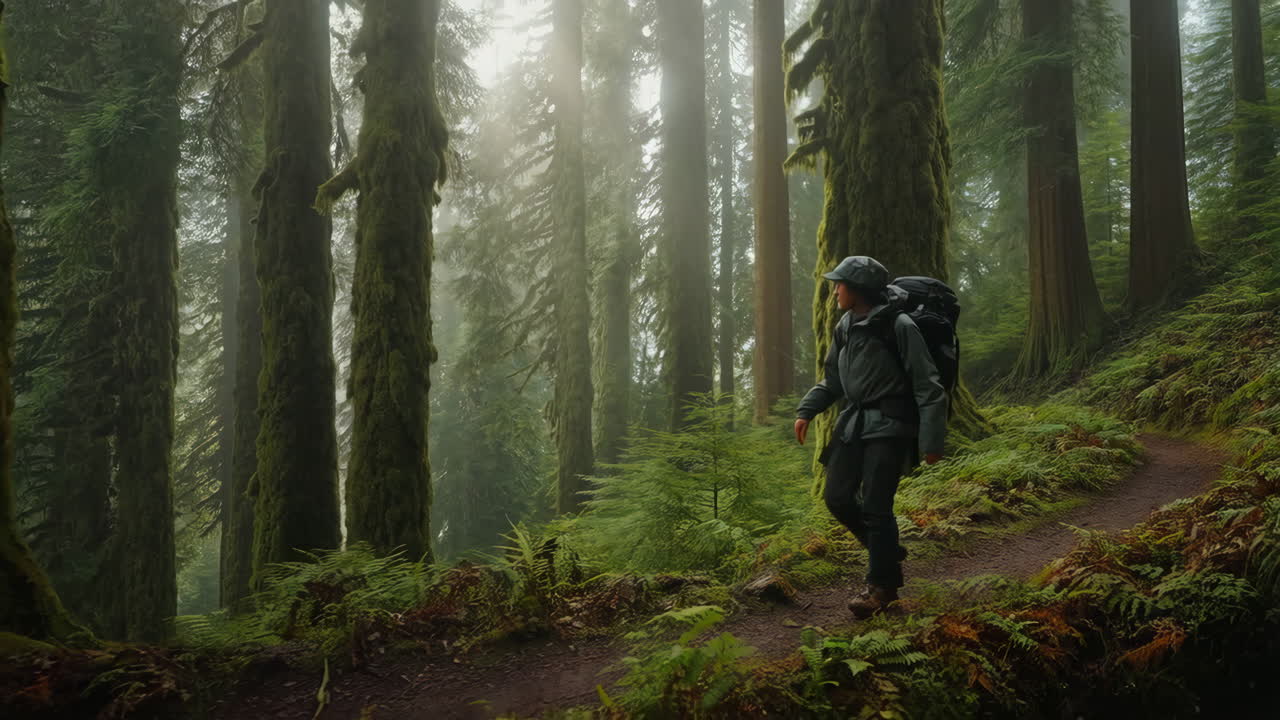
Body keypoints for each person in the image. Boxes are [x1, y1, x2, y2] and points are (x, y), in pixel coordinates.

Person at [794, 256, 947, 618]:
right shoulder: (845, 325)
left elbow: (929, 387)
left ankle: (882, 587)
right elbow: (832, 379)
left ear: (858, 289)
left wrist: (932, 443)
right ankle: (887, 550)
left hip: (891, 426)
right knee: (837, 498)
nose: (834, 291)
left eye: (840, 284)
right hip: (853, 423)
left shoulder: (900, 326)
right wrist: (806, 410)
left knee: (877, 508)